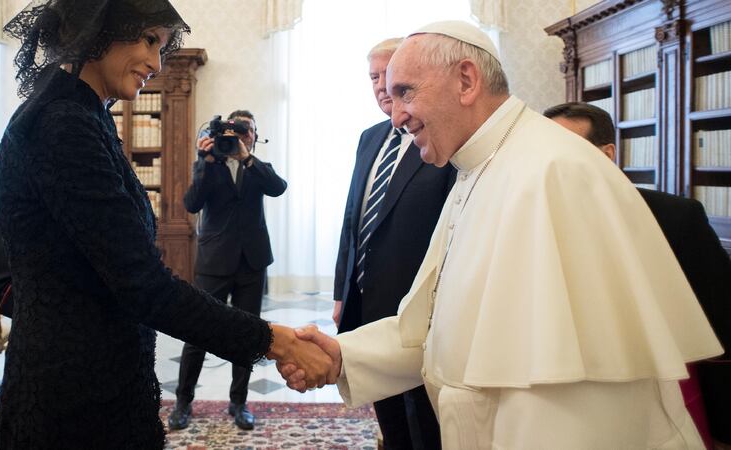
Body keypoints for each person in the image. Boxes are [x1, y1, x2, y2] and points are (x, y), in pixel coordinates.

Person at [279, 21, 723, 449]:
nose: (395, 116)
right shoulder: (475, 168)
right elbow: (442, 328)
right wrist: (342, 356)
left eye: (405, 92)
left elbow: (568, 398)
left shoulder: (553, 172)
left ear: (466, 80)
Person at [0, 1, 329, 448]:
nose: (155, 62)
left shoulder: (82, 114)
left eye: (163, 46)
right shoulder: (62, 124)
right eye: (149, 39)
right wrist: (275, 340)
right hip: (72, 394)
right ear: (101, 27)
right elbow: (144, 286)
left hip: (97, 374)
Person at [543, 101, 731, 449]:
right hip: (574, 394)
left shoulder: (676, 217)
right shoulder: (537, 220)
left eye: (564, 148)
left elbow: (719, 313)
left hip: (665, 386)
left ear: (606, 154)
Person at [332, 37, 451, 449]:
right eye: (373, 77)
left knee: (424, 420)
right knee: (388, 415)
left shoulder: (442, 138)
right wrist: (341, 294)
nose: (382, 85)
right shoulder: (369, 137)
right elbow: (354, 219)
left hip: (417, 312)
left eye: (390, 76)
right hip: (365, 303)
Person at [168, 110, 287, 431]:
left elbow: (278, 187)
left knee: (247, 337)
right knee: (197, 333)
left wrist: (247, 158)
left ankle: (239, 403)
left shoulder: (258, 168)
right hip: (214, 263)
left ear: (254, 135)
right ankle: (182, 402)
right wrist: (205, 161)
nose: (241, 135)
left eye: (247, 130)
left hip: (252, 262)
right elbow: (192, 204)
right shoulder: (209, 163)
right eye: (235, 129)